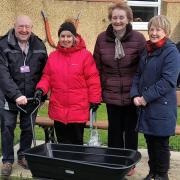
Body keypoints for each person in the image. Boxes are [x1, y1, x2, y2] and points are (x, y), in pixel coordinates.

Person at [93, 2, 146, 175]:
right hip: (111, 93)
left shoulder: (138, 39)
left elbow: (143, 67)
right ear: (110, 19)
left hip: (132, 94)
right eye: (114, 17)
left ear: (128, 19)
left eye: (121, 17)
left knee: (131, 131)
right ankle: (115, 162)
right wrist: (99, 90)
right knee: (114, 130)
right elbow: (97, 67)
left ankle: (130, 163)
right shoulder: (102, 38)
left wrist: (139, 91)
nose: (118, 21)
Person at [35, 20, 101, 145]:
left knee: (76, 142)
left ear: (74, 37)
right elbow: (47, 77)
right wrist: (40, 89)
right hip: (58, 109)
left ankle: (75, 164)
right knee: (62, 143)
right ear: (59, 38)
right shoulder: (53, 56)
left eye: (69, 36)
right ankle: (63, 165)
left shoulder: (85, 56)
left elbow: (93, 79)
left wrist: (95, 99)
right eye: (62, 36)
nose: (66, 39)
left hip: (78, 109)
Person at [130, 15, 180, 180]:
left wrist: (145, 97)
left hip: (162, 107)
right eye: (151, 29)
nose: (154, 32)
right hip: (147, 108)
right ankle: (153, 173)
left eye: (158, 29)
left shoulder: (171, 51)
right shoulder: (147, 49)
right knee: (150, 141)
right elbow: (138, 74)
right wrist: (135, 94)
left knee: (161, 144)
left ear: (165, 31)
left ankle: (162, 175)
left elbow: (168, 81)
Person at [0, 15, 47, 176]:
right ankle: (7, 160)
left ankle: (23, 155)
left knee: (28, 128)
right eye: (21, 26)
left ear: (32, 27)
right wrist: (16, 95)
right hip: (9, 97)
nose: (24, 30)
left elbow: (45, 73)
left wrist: (42, 97)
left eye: (28, 27)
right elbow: (2, 74)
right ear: (14, 26)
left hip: (31, 98)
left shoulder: (39, 45)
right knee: (7, 127)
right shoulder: (3, 44)